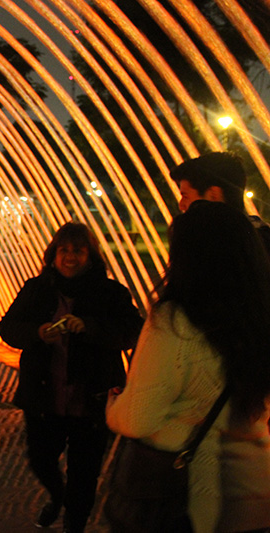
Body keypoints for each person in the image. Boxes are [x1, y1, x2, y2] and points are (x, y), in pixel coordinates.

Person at [106, 201, 270, 533]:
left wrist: (114, 406)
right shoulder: (263, 317)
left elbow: (139, 419)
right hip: (256, 494)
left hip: (193, 500)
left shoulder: (175, 322)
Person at [0, 222, 143, 532]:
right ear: (53, 254)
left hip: (91, 400)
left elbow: (132, 333)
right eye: (64, 250)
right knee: (41, 460)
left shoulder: (112, 293)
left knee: (85, 472)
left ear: (91, 256)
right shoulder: (36, 289)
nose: (70, 257)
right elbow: (7, 327)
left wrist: (89, 327)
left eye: (78, 250)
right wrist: (37, 332)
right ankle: (58, 494)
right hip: (43, 398)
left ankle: (74, 524)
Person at [170, 151, 270, 251]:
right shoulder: (258, 240)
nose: (181, 205)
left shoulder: (214, 251)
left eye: (185, 196)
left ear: (214, 195)